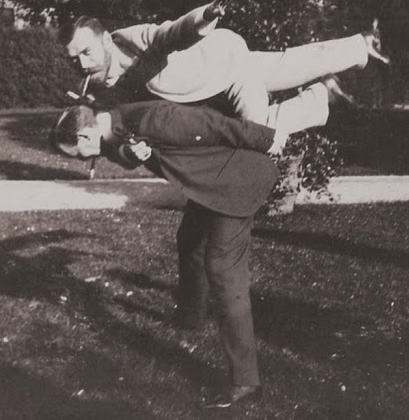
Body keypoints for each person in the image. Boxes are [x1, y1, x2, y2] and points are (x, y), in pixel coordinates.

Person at [49, 93, 342, 409]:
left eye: (78, 155)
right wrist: (132, 154)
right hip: (209, 183)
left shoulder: (153, 119)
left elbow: (211, 124)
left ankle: (245, 380)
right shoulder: (111, 125)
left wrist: (267, 138)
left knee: (223, 271)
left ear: (85, 135)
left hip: (237, 180)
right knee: (190, 240)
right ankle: (191, 316)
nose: (84, 160)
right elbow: (121, 152)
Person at [59, 0, 388, 134]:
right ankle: (359, 47)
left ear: (106, 39)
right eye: (74, 60)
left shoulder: (133, 40)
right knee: (291, 63)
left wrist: (206, 14)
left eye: (87, 52)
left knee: (257, 135)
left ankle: (320, 99)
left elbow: (170, 34)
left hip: (223, 69)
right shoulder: (95, 86)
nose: (82, 65)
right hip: (217, 79)